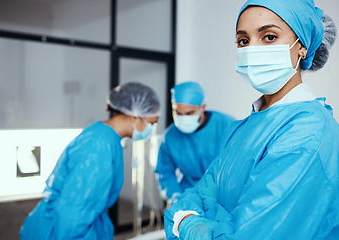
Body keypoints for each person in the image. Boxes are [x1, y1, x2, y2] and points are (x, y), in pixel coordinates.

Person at [164, 0, 339, 239]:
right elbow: (200, 192)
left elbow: (246, 234)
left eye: (269, 37)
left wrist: (185, 223)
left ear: (302, 47)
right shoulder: (248, 125)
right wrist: (210, 221)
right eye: (243, 41)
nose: (252, 49)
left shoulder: (308, 131)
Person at [20, 82, 160, 240]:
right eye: (152, 123)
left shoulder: (104, 134)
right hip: (60, 231)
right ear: (135, 115)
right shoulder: (100, 146)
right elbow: (74, 214)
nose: (151, 130)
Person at [155, 81, 235, 204]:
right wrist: (176, 197)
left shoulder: (227, 125)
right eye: (178, 113)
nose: (183, 118)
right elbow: (164, 173)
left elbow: (240, 165)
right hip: (189, 195)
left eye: (189, 113)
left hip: (223, 195)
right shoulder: (170, 136)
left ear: (202, 108)